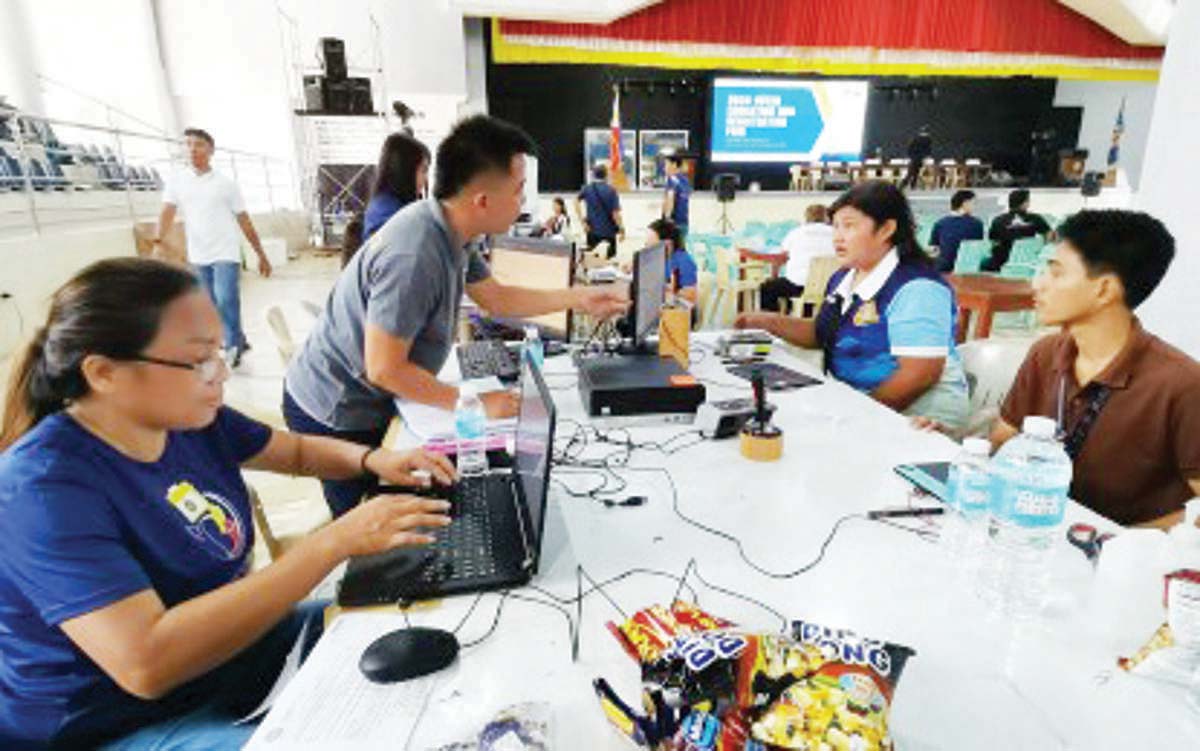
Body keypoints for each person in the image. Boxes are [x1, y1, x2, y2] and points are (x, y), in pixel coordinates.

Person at [0, 258, 455, 750]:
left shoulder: (188, 419)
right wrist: (333, 542)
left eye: (220, 353)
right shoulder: (43, 489)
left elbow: (298, 452)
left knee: (416, 610)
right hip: (114, 721)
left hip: (227, 657)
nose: (219, 375)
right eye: (198, 361)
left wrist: (374, 460)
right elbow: (146, 663)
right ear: (104, 373)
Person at [284, 115, 628, 518]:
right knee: (372, 532)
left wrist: (580, 298)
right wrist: (476, 404)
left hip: (374, 395)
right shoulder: (414, 254)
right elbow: (383, 369)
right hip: (337, 410)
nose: (522, 202)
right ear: (482, 200)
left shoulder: (453, 230)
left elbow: (496, 298)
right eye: (518, 191)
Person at [990, 210, 1200, 528]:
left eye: (1056, 273)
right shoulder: (1045, 354)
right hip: (1033, 535)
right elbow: (1002, 441)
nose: (1038, 284)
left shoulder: (1181, 384)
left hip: (1121, 563)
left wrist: (1120, 542)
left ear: (1103, 290)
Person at [735, 181, 969, 431]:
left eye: (849, 226)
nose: (837, 237)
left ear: (886, 229)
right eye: (835, 226)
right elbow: (822, 332)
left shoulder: (917, 288)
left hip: (920, 418)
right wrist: (764, 321)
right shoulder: (845, 277)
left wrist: (857, 415)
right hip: (859, 404)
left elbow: (919, 374)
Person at [156, 128, 272, 369]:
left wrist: (260, 254)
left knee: (226, 298)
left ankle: (232, 347)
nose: (191, 149)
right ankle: (238, 337)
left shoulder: (225, 184)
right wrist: (158, 242)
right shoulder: (177, 181)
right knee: (209, 303)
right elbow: (167, 212)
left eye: (197, 144)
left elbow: (244, 220)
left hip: (226, 251)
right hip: (199, 253)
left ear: (210, 150)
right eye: (187, 144)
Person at [759, 203, 834, 314]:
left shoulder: (795, 233)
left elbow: (780, 259)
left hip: (797, 285)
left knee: (768, 288)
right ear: (827, 217)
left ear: (807, 217)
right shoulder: (836, 233)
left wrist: (773, 276)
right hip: (829, 288)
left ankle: (774, 323)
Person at [362, 131, 431, 241]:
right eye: (423, 170)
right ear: (405, 171)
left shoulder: (388, 205)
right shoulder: (388, 216)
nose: (426, 179)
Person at [985, 188, 1051, 271]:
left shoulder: (998, 220)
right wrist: (1042, 248)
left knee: (985, 262)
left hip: (1002, 262)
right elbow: (1049, 234)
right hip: (1028, 261)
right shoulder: (1035, 219)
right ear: (1024, 203)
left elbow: (993, 242)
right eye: (1028, 201)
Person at [575, 163, 625, 258]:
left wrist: (582, 221)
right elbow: (615, 214)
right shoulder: (611, 190)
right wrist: (622, 229)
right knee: (608, 259)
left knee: (592, 258)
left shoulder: (587, 188)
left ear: (594, 175)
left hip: (592, 231)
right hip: (609, 232)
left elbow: (576, 201)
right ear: (606, 175)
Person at [930, 190, 985, 272]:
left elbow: (933, 249)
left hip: (942, 268)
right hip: (965, 269)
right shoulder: (976, 224)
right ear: (965, 204)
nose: (975, 207)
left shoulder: (940, 223)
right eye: (973, 203)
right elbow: (977, 249)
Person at [662, 155, 691, 239]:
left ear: (674, 165)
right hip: (684, 221)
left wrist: (667, 219)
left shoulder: (671, 179)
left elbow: (670, 199)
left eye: (666, 165)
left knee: (671, 250)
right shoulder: (685, 180)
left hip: (674, 223)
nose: (664, 168)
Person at [902, 126, 932, 190]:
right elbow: (928, 150)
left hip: (914, 158)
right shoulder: (928, 139)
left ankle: (907, 185)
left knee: (912, 172)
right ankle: (907, 185)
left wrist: (910, 156)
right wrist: (925, 157)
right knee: (913, 173)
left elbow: (910, 148)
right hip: (919, 158)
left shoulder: (915, 138)